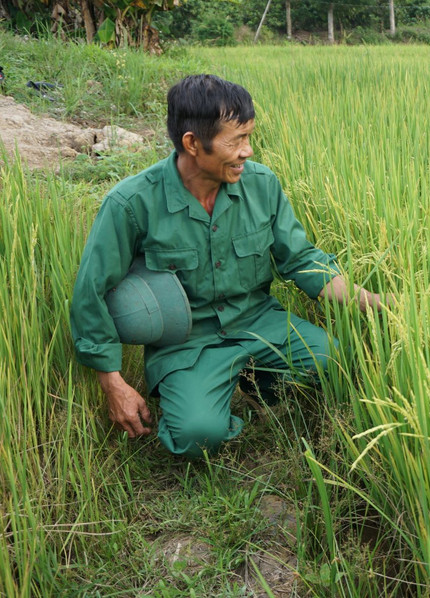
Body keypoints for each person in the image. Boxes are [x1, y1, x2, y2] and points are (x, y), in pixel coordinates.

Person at [70, 74, 389, 459]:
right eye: (235, 141)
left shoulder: (261, 185)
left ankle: (258, 387)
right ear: (192, 143)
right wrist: (112, 382)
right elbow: (91, 291)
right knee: (197, 436)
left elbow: (301, 258)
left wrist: (368, 300)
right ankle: (208, 402)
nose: (247, 151)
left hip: (258, 320)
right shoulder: (131, 203)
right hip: (188, 342)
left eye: (249, 137)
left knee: (335, 361)